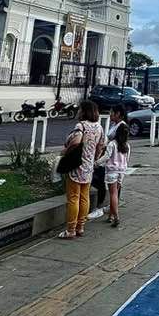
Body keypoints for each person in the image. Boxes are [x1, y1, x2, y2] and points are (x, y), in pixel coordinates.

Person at [59, 101, 104, 239]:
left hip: (76, 166)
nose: (78, 111)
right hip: (88, 168)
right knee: (84, 197)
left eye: (80, 109)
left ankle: (71, 229)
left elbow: (76, 141)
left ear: (84, 111)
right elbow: (101, 145)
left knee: (73, 198)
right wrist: (94, 158)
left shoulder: (81, 126)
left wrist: (66, 150)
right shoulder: (99, 127)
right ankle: (81, 227)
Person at [95, 123, 131, 228]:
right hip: (122, 172)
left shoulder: (112, 144)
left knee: (113, 194)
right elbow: (127, 159)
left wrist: (96, 163)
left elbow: (106, 156)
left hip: (112, 171)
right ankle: (111, 215)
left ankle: (116, 217)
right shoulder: (127, 146)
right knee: (116, 194)